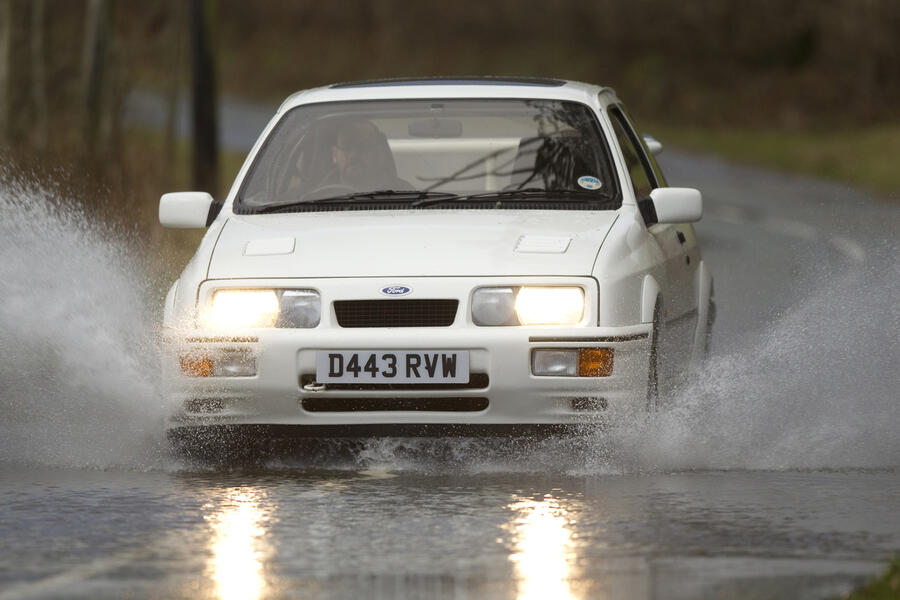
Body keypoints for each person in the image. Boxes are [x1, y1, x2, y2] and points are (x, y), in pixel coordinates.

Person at [325, 119, 408, 190]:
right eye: (346, 147)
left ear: (379, 154)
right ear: (334, 154)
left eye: (363, 147)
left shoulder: (404, 193)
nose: (354, 155)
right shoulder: (318, 197)